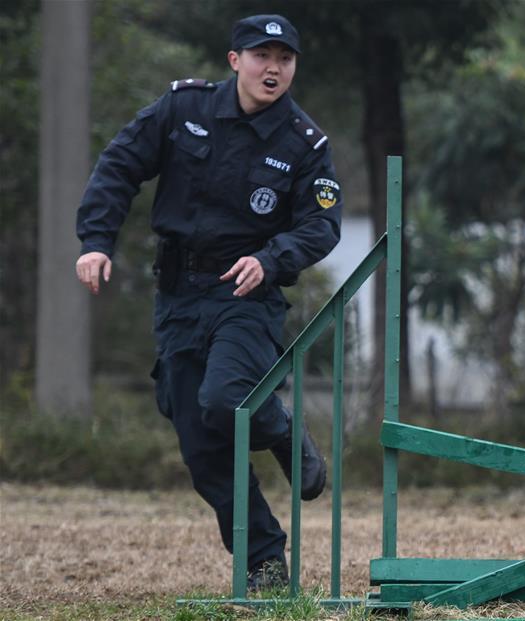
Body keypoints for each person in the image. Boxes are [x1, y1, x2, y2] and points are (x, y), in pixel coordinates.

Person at [75, 14, 339, 590]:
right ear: (234, 59)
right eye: (261, 55)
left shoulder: (303, 143)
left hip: (246, 297)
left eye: (285, 59)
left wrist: (272, 258)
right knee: (200, 442)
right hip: (177, 297)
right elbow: (119, 165)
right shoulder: (182, 110)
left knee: (226, 401)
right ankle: (264, 560)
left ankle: (281, 431)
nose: (273, 68)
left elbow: (323, 226)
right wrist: (96, 241)